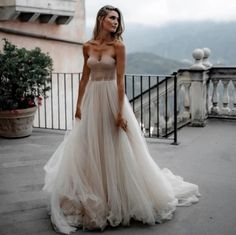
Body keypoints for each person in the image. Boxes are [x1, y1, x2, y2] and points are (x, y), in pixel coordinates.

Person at [43, 5, 200, 235]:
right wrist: (78, 105)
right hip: (91, 101)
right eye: (112, 18)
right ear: (101, 19)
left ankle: (120, 196)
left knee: (116, 146)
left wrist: (119, 112)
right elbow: (84, 78)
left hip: (111, 100)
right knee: (90, 146)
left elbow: (120, 82)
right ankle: (96, 193)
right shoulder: (87, 46)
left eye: (118, 18)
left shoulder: (118, 46)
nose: (116, 22)